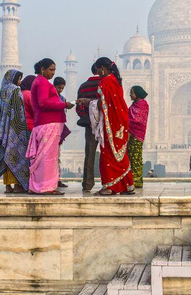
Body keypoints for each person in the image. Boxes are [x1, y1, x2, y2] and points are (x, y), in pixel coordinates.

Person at [26, 58, 74, 195]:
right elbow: (43, 102)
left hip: (46, 123)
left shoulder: (41, 82)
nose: (53, 73)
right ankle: (45, 187)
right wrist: (64, 105)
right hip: (47, 123)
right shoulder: (41, 82)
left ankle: (38, 186)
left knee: (44, 157)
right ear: (43, 69)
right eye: (51, 70)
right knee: (47, 158)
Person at [90, 57, 135, 195]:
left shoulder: (106, 81)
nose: (97, 74)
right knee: (120, 153)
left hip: (111, 123)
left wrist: (89, 102)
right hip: (120, 121)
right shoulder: (116, 80)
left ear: (102, 68)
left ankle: (110, 187)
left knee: (109, 154)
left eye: (97, 71)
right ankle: (128, 185)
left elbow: (103, 103)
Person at [0, 69, 30, 193]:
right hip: (15, 129)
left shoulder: (3, 90)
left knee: (6, 157)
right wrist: (22, 129)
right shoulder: (15, 90)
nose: (20, 82)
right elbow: (18, 110)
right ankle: (17, 186)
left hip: (2, 130)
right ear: (13, 78)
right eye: (19, 78)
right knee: (16, 157)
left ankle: (7, 186)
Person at [76, 64, 102, 192]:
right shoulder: (105, 83)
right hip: (105, 124)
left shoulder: (83, 86)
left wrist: (87, 118)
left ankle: (87, 184)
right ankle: (110, 182)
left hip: (90, 126)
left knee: (90, 154)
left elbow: (79, 106)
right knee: (108, 154)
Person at [128, 86, 150, 188]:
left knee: (135, 157)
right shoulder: (136, 104)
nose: (130, 94)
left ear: (137, 93)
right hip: (132, 134)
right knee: (132, 157)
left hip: (137, 134)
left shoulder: (142, 104)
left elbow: (137, 119)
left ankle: (136, 180)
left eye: (131, 92)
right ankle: (133, 179)